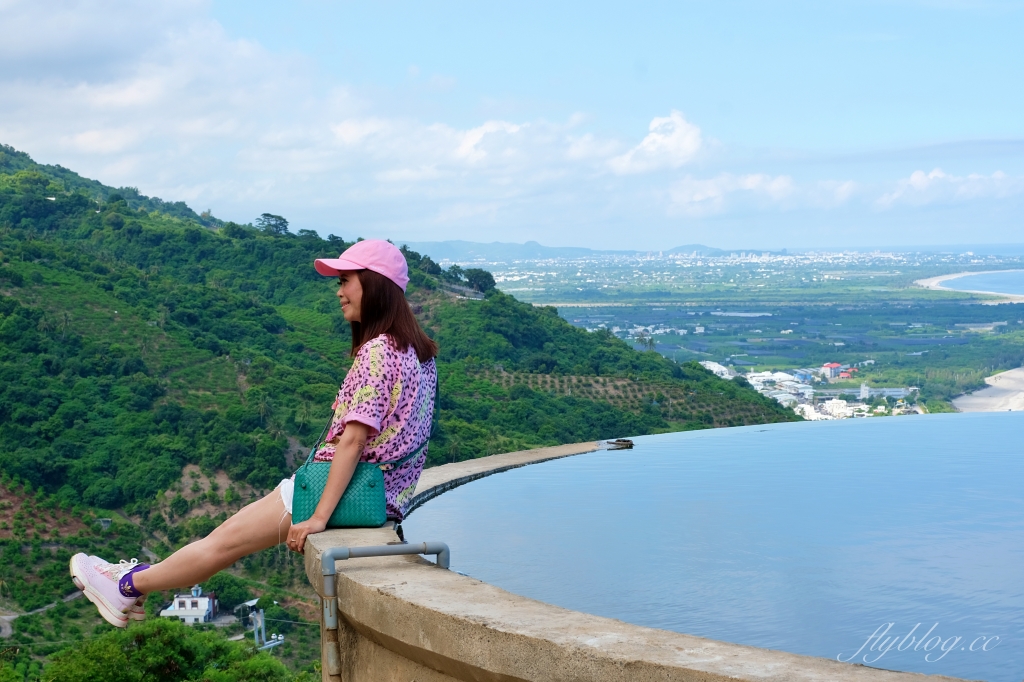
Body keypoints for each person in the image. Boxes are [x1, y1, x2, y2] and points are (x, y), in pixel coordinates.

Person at [70, 240, 438, 627]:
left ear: (374, 284)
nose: (339, 291)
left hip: (333, 489)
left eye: (346, 280)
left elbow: (353, 438)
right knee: (220, 543)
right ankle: (130, 582)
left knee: (219, 545)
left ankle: (126, 585)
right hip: (381, 500)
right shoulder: (420, 354)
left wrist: (318, 516)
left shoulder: (378, 350)